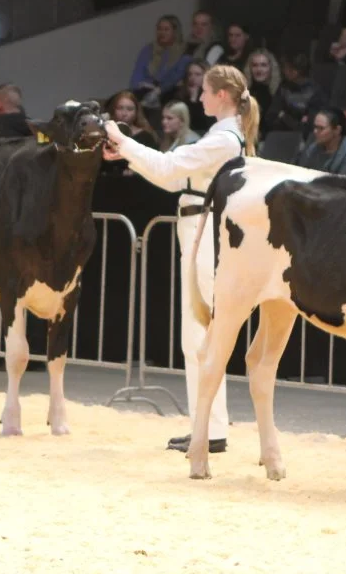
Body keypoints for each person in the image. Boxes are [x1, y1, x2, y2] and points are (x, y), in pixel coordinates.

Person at [102, 64, 260, 454]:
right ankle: (207, 426)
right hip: (196, 231)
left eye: (205, 91)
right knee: (198, 336)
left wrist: (120, 139)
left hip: (207, 234)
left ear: (222, 95)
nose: (200, 97)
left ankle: (210, 428)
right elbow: (171, 179)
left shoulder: (224, 138)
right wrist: (126, 153)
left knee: (203, 335)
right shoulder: (219, 135)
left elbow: (170, 168)